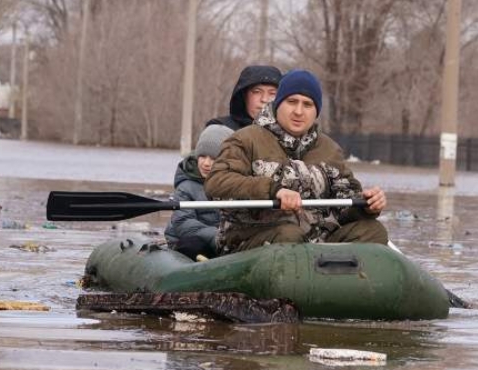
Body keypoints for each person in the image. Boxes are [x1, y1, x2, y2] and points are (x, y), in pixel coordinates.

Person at [204, 69, 388, 254]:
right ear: (278, 104)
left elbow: (344, 206)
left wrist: (366, 205)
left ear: (316, 111)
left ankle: (341, 278)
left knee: (373, 231)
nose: (299, 111)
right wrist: (272, 191)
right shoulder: (245, 139)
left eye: (307, 104)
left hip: (316, 240)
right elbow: (216, 183)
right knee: (289, 236)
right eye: (292, 102)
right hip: (251, 239)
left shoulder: (330, 149)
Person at [164, 124, 235, 260]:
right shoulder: (186, 187)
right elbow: (182, 222)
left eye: (214, 158)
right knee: (193, 245)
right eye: (202, 156)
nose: (206, 163)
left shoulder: (237, 185)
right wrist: (218, 236)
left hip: (224, 241)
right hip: (190, 241)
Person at [206, 65, 282, 130]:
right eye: (257, 92)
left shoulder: (289, 135)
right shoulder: (221, 130)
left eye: (272, 93)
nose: (264, 99)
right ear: (244, 96)